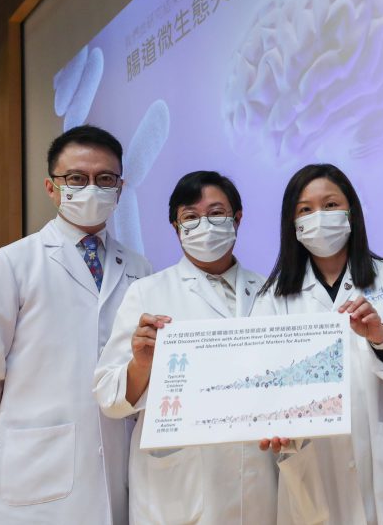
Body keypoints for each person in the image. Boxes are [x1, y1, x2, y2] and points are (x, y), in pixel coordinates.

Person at [0, 125, 152, 524]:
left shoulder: (139, 268)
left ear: (120, 188)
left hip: (121, 469)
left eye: (105, 179)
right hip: (33, 477)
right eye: (76, 178)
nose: (91, 188)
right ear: (51, 187)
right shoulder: (13, 263)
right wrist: (14, 437)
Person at [93, 171, 277, 524]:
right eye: (190, 217)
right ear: (176, 228)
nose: (204, 225)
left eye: (216, 213)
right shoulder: (147, 293)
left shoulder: (268, 291)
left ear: (237, 219)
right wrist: (141, 364)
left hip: (255, 477)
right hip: (179, 487)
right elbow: (109, 398)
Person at [253, 164, 383, 525]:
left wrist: (380, 337)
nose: (318, 217)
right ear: (292, 224)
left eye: (331, 204)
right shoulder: (271, 300)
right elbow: (265, 383)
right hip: (312, 460)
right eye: (305, 210)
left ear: (351, 211)